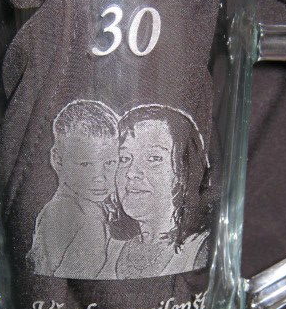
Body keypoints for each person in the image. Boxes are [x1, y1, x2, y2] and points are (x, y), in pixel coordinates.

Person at [100, 104, 211, 279]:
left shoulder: (203, 248)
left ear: (185, 170)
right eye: (124, 158)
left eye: (153, 158)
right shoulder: (109, 249)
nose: (131, 172)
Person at [27, 99, 119, 279]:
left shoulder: (57, 209)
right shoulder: (87, 220)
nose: (100, 177)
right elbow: (70, 287)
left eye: (110, 163)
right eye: (85, 164)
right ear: (57, 159)